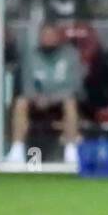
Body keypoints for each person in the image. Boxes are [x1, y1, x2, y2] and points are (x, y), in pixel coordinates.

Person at [6, 23, 82, 165]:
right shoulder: (31, 56)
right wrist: (36, 97)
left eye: (51, 35)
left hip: (61, 101)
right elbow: (26, 83)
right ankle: (16, 150)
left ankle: (71, 150)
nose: (48, 39)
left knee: (70, 102)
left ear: (58, 37)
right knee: (20, 102)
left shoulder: (70, 55)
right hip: (36, 101)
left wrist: (52, 98)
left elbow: (74, 85)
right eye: (44, 36)